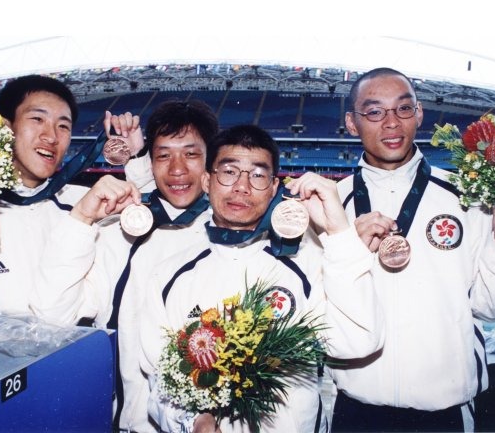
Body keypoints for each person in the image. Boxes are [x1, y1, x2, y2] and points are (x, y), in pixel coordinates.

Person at [139, 124, 384, 433]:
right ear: (206, 180)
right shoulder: (169, 275)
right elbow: (160, 377)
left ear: (273, 188)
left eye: (257, 175)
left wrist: (338, 234)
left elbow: (359, 342)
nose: (242, 187)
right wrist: (192, 421)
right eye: (229, 172)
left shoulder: (310, 263)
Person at [328, 67, 495, 432]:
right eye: (374, 112)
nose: (391, 123)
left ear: (419, 114)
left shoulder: (467, 197)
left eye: (403, 109)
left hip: (444, 413)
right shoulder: (332, 206)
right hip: (356, 409)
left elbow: (493, 306)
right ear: (352, 123)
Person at [30, 99, 219, 432]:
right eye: (163, 155)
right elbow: (52, 315)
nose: (177, 169)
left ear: (210, 163)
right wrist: (82, 218)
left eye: (191, 154)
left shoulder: (236, 242)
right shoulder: (116, 235)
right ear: (150, 162)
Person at [0, 74, 140, 313]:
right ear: (4, 126)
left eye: (63, 126)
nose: (52, 136)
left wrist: (138, 157)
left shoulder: (90, 207)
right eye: (37, 119)